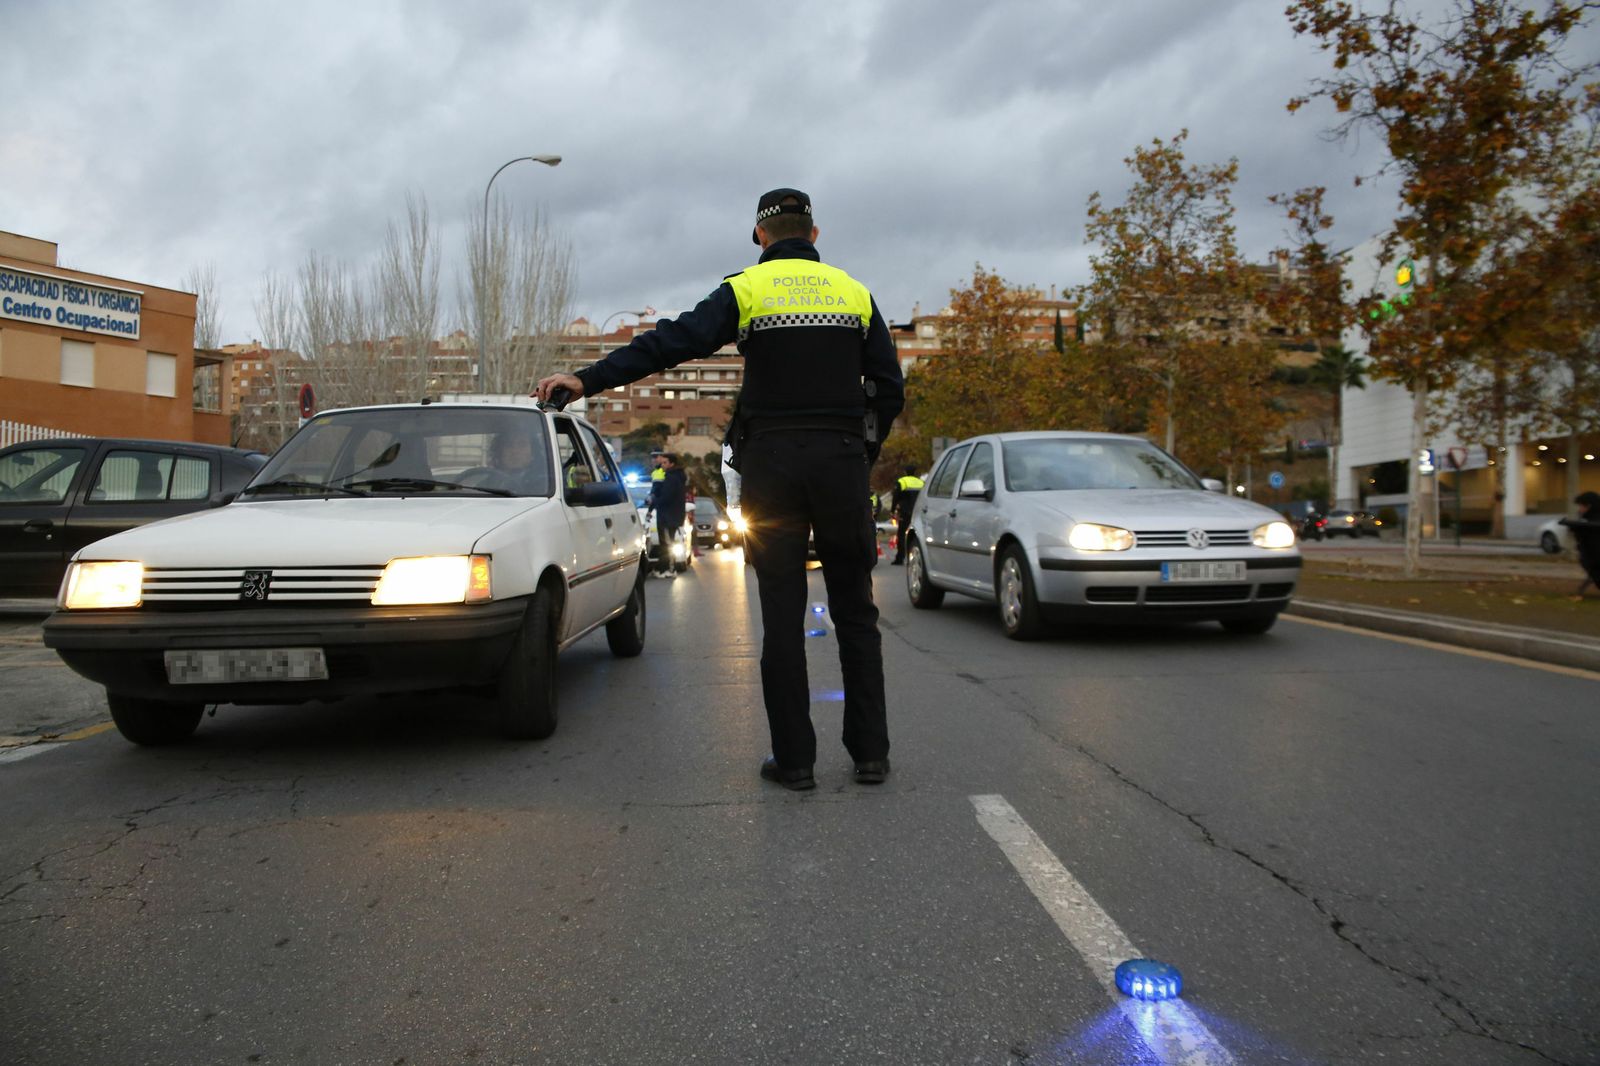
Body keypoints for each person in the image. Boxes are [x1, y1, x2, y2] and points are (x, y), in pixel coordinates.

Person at [535, 187, 904, 790]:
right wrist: (860, 451)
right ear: (814, 235)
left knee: (783, 615)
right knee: (856, 611)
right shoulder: (855, 293)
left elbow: (668, 343)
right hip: (840, 464)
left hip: (773, 467)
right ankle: (870, 754)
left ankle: (795, 762)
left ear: (760, 237)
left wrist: (585, 379)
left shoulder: (745, 290)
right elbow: (888, 389)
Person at [648, 452, 688, 578]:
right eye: (662, 462)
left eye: (665, 462)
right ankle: (668, 568)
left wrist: (653, 502)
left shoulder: (671, 478)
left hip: (667, 517)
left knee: (665, 544)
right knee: (668, 544)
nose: (662, 465)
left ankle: (666, 569)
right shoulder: (678, 477)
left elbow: (665, 497)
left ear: (672, 464)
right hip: (673, 517)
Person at [1560, 491, 1600, 598]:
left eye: (1581, 506)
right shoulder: (1588, 520)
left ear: (1589, 506)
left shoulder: (1592, 522)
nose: (1580, 509)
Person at [889, 465, 924, 565]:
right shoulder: (921, 482)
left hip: (905, 512)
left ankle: (900, 558)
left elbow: (896, 497)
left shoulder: (902, 481)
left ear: (905, 472)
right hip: (917, 512)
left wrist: (892, 510)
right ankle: (916, 557)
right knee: (917, 535)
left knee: (901, 534)